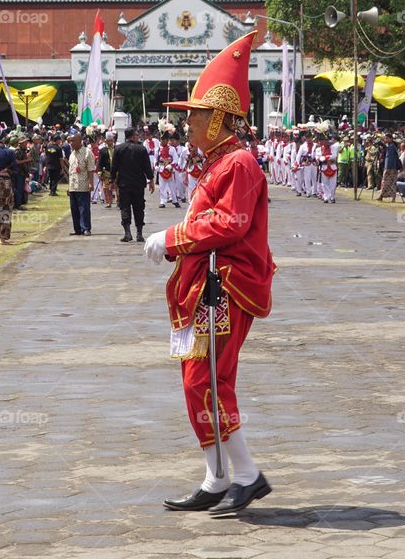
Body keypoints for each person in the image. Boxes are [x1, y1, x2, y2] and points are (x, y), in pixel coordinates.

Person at [145, 31, 275, 516]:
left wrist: (173, 237)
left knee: (207, 380)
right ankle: (217, 476)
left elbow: (230, 224)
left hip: (225, 287)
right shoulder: (219, 164)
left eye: (195, 115)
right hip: (205, 287)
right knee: (198, 379)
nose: (188, 124)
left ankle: (246, 475)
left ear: (218, 118)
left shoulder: (237, 163)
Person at [111, 127, 155, 242]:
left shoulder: (118, 149)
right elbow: (147, 167)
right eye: (137, 135)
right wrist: (151, 180)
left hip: (124, 184)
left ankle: (127, 233)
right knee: (139, 208)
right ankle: (139, 233)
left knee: (125, 207)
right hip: (138, 184)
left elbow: (114, 167)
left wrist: (112, 180)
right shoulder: (141, 149)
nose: (138, 137)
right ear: (133, 136)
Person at [67, 133, 96, 236]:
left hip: (83, 185)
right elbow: (71, 172)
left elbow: (90, 169)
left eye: (73, 141)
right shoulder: (72, 154)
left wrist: (91, 183)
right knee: (74, 209)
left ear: (80, 141)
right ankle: (77, 229)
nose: (71, 143)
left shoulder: (87, 152)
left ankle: (86, 228)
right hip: (73, 186)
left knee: (84, 208)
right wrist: (69, 187)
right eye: (70, 141)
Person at [97, 131, 116, 208]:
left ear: (113, 140)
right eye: (108, 141)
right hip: (106, 171)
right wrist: (100, 172)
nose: (110, 142)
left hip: (116, 171)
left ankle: (118, 201)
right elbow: (100, 162)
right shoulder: (102, 150)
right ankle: (108, 202)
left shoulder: (117, 149)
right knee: (106, 188)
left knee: (117, 187)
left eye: (111, 140)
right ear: (105, 141)